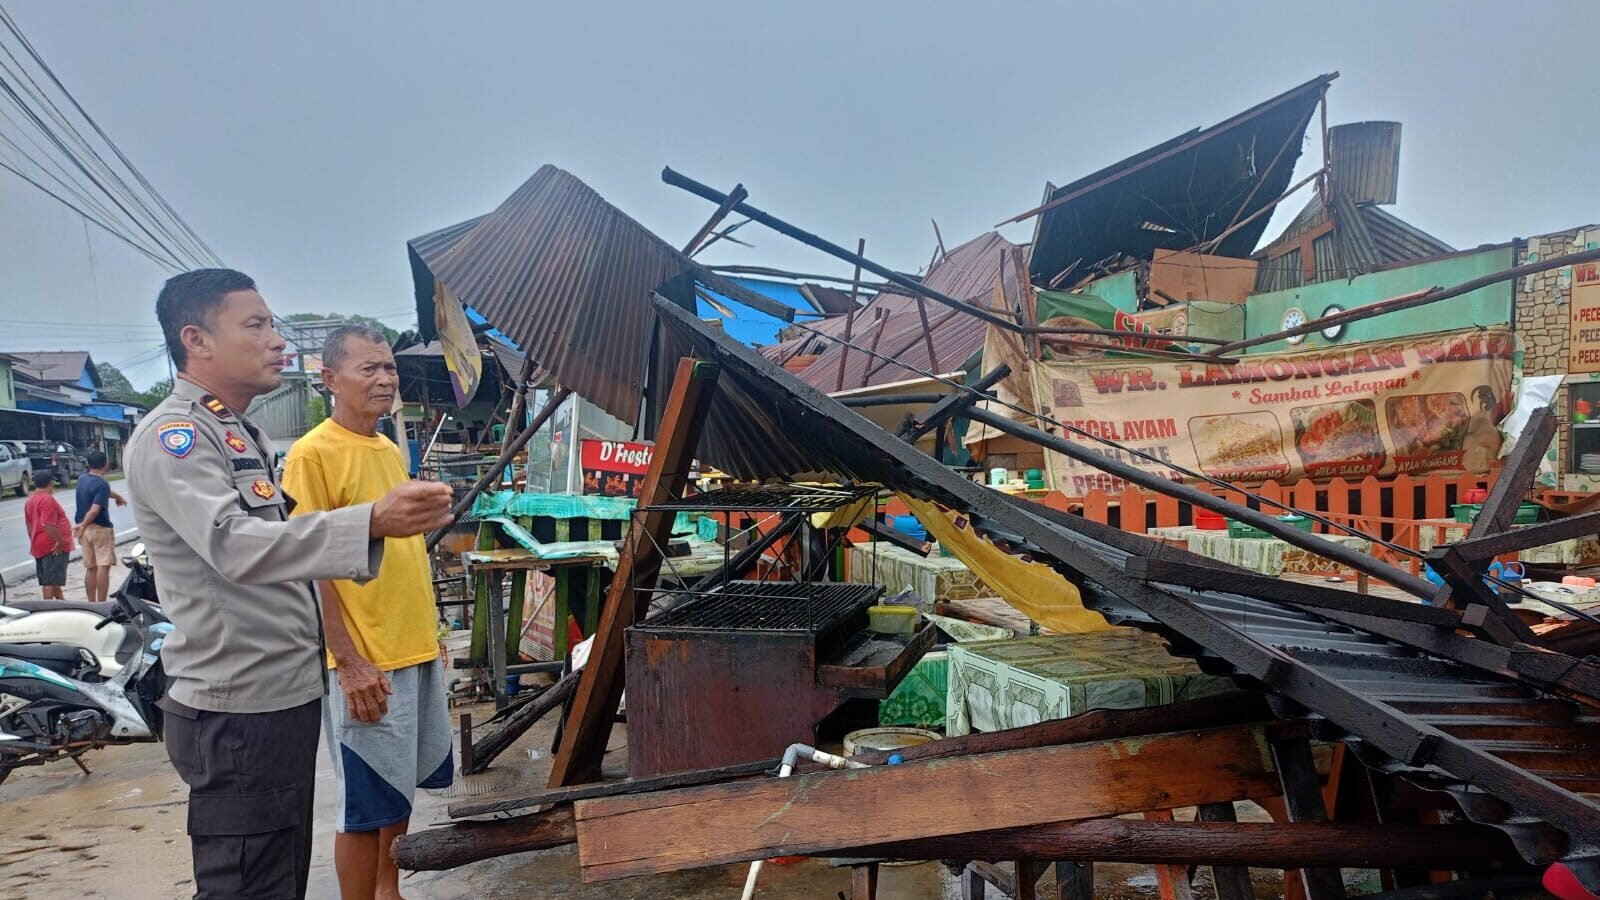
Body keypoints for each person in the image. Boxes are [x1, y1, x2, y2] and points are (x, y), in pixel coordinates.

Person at [126, 269, 453, 900]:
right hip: (237, 702)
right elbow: (233, 545)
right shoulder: (177, 437)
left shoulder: (236, 431)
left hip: (277, 694)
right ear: (197, 339)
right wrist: (370, 524)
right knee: (249, 884)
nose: (277, 340)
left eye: (273, 324)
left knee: (277, 877)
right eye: (256, 325)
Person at [281, 325, 453, 900]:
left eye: (389, 369)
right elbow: (310, 563)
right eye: (368, 369)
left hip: (413, 643)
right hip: (364, 655)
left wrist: (433, 630)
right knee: (362, 803)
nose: (384, 379)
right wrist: (347, 659)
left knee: (397, 789)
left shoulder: (387, 447)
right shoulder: (312, 455)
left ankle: (389, 891)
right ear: (330, 379)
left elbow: (401, 551)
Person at [73, 449, 124, 602]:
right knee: (103, 566)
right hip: (99, 528)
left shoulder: (82, 480)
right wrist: (83, 524)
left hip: (85, 530)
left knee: (91, 567)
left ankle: (91, 602)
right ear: (106, 465)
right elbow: (95, 509)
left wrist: (117, 497)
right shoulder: (102, 484)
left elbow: (105, 493)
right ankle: (101, 603)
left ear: (88, 464)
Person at [23, 471, 72, 600]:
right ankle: (48, 609)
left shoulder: (30, 501)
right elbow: (47, 524)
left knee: (52, 578)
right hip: (52, 545)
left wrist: (33, 541)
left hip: (39, 544)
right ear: (50, 483)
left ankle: (63, 606)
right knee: (49, 582)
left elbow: (29, 525)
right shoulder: (47, 499)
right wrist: (60, 541)